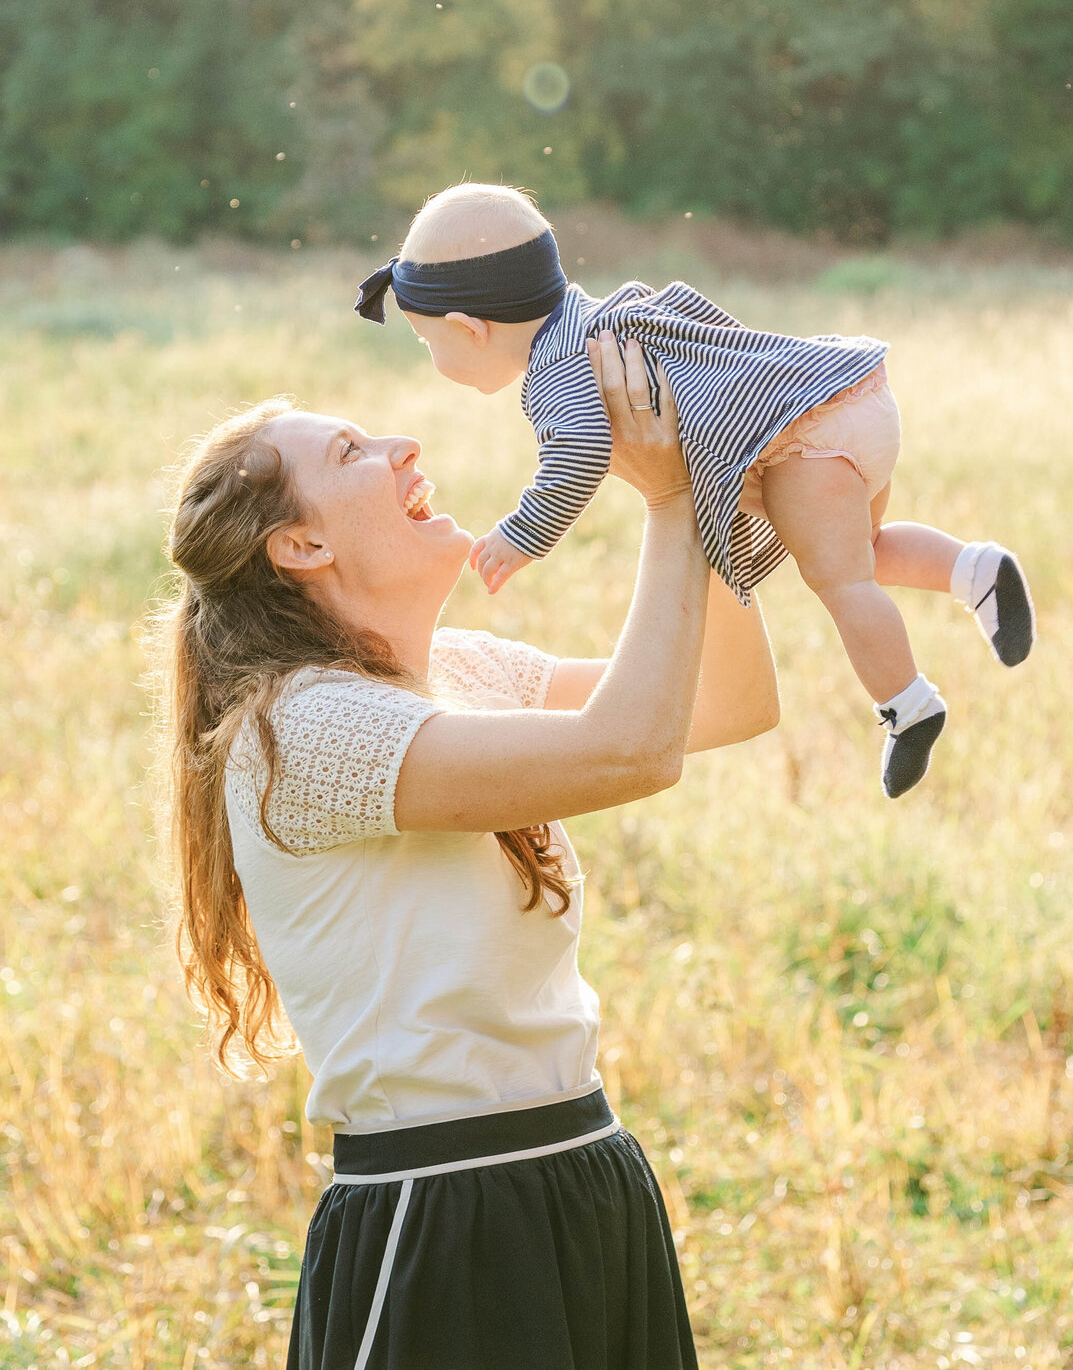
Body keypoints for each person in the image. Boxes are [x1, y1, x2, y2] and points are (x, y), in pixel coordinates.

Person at [159, 332, 779, 1370]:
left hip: (588, 1170)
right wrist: (670, 504)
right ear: (299, 548)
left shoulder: (467, 669)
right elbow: (630, 751)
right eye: (353, 452)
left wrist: (716, 472)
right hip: (439, 1214)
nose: (404, 445)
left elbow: (731, 699)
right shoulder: (297, 729)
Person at [355, 183, 1036, 800]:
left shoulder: (558, 372)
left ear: (472, 331)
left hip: (805, 438)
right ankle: (974, 569)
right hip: (851, 393)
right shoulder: (616, 312)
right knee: (865, 548)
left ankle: (909, 705)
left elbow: (578, 454)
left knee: (842, 582)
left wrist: (523, 534)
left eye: (426, 342)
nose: (432, 356)